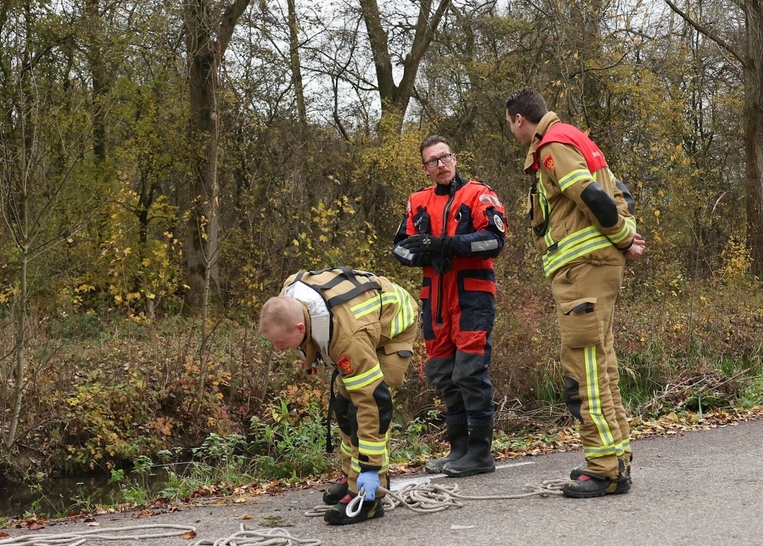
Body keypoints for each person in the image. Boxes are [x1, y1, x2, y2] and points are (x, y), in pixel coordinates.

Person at [504, 88, 646, 499]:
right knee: (602, 364)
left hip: (581, 271)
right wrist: (625, 235)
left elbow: (590, 194)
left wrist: (622, 234)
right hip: (594, 268)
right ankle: (615, 457)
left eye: (510, 125)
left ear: (518, 120)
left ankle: (603, 468)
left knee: (583, 368)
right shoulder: (574, 136)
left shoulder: (551, 146)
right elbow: (618, 191)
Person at [259, 267, 418, 524]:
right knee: (344, 407)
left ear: (300, 327)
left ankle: (370, 494)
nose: (278, 350)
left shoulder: (346, 338)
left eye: (280, 343)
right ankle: (350, 476)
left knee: (363, 411)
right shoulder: (288, 300)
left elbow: (373, 403)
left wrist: (370, 469)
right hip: (360, 324)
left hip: (393, 326)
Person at [393, 136, 507, 477]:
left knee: (469, 373)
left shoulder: (478, 193)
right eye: (433, 161)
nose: (440, 164)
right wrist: (428, 253)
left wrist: (447, 244)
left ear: (454, 158)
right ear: (425, 168)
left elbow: (494, 240)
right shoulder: (417, 202)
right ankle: (458, 450)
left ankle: (479, 452)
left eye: (445, 157)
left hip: (472, 295)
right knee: (443, 374)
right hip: (435, 297)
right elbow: (400, 248)